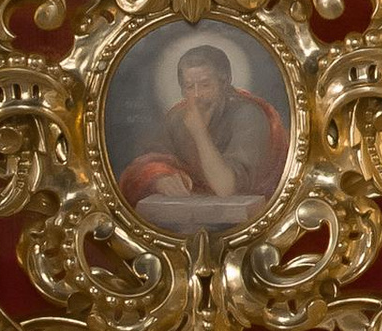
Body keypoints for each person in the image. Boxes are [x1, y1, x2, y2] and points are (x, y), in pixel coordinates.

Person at [117, 37, 287, 219]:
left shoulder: (248, 115)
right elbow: (148, 163)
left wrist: (199, 133)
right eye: (190, 87)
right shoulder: (177, 118)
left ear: (224, 82)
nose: (197, 95)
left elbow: (226, 188)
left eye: (205, 85)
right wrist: (160, 179)